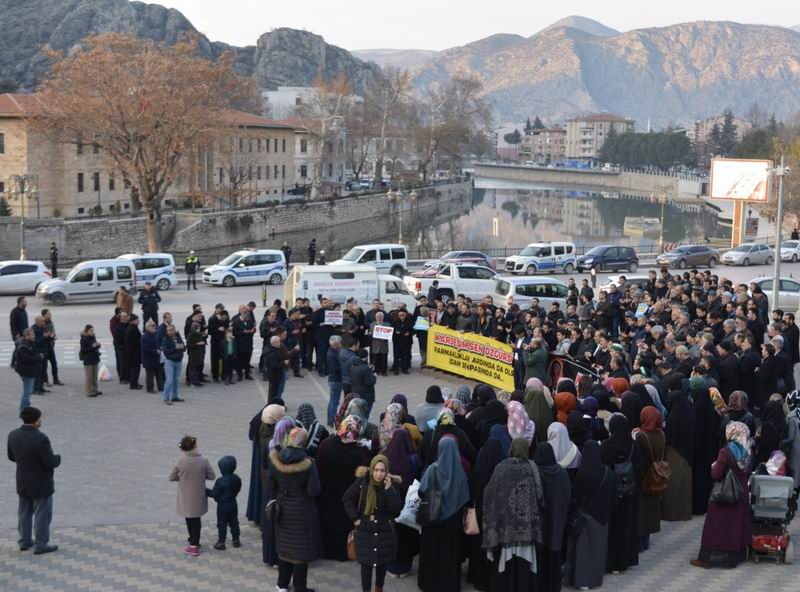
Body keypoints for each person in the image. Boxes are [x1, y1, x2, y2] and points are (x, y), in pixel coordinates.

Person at [481, 437, 544, 592]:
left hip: (505, 528)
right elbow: (540, 495)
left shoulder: (501, 467)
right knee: (523, 566)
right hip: (526, 528)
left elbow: (489, 493)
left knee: (505, 568)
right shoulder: (531, 468)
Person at [691, 421, 753, 569]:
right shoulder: (748, 450)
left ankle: (708, 557)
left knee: (716, 525)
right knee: (735, 525)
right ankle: (735, 556)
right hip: (741, 492)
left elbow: (716, 473)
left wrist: (714, 465)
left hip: (725, 493)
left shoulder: (726, 452)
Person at [267, 427, 322, 592]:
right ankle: (300, 587)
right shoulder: (308, 464)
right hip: (302, 512)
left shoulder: (277, 459)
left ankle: (282, 584)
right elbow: (314, 491)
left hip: (282, 509)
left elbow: (270, 484)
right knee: (300, 550)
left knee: (285, 546)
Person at [342, 455, 403, 592]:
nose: (379, 474)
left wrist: (389, 490)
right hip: (365, 530)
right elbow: (347, 498)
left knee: (382, 564)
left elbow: (396, 510)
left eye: (382, 470)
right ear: (372, 469)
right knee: (366, 567)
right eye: (376, 470)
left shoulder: (392, 485)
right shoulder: (363, 482)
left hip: (384, 531)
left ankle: (379, 588)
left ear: (386, 471)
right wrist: (355, 517)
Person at [417, 436, 470, 592]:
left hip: (433, 518)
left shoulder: (432, 470)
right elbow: (465, 496)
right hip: (452, 522)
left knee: (432, 552)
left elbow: (421, 492)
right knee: (449, 554)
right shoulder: (460, 472)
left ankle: (429, 583)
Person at [316, 415, 371, 561]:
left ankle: (327, 551)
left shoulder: (325, 445)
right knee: (344, 525)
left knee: (328, 522)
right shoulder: (360, 452)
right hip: (348, 498)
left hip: (327, 495)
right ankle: (345, 552)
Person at [7, 406, 61, 555]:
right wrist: (58, 459)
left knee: (24, 512)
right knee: (42, 513)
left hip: (22, 480)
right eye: (40, 418)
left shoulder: (13, 434)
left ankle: (24, 541)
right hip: (40, 482)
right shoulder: (41, 438)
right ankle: (41, 544)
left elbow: (11, 457)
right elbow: (50, 462)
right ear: (36, 421)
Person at [566, 441, 616, 590]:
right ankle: (595, 578)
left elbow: (576, 498)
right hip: (601, 518)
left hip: (584, 517)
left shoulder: (582, 475)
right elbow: (613, 498)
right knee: (598, 549)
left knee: (582, 549)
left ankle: (582, 581)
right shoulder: (607, 473)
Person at [600, 413, 642, 573]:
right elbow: (639, 467)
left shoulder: (605, 446)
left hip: (611, 492)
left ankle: (611, 562)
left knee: (613, 527)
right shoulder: (632, 445)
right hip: (629, 491)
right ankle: (625, 560)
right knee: (626, 525)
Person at [383, 427, 422, 578]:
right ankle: (404, 567)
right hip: (408, 503)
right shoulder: (413, 458)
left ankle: (391, 567)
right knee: (406, 536)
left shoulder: (385, 456)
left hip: (390, 502)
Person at [168, 435, 216, 556]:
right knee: (196, 519)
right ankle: (195, 542)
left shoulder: (180, 461)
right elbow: (212, 476)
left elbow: (172, 477)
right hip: (198, 494)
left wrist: (182, 478)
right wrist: (199, 476)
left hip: (185, 495)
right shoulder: (203, 460)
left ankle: (193, 542)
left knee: (188, 517)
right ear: (195, 446)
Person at [534, 442, 571, 592]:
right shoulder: (562, 473)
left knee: (540, 554)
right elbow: (568, 494)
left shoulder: (535, 473)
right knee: (554, 551)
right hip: (557, 520)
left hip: (540, 523)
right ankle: (554, 585)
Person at [634, 407, 665, 550]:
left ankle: (640, 543)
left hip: (644, 476)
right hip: (657, 476)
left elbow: (638, 456)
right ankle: (646, 541)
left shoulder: (642, 437)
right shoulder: (662, 435)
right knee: (651, 510)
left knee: (641, 511)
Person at [661, 391, 694, 521]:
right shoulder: (689, 414)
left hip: (673, 453)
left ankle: (671, 513)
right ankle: (684, 512)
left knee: (673, 485)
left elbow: (669, 435)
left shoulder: (673, 417)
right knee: (684, 485)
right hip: (686, 454)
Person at [206, 455, 242, 550]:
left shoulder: (220, 481)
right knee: (234, 522)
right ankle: (236, 539)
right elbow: (238, 488)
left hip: (222, 506)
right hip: (233, 503)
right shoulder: (237, 479)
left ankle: (221, 542)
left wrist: (206, 491)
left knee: (222, 524)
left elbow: (215, 493)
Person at [14, 328, 38, 411]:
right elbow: (27, 359)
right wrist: (38, 357)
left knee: (27, 390)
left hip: (25, 370)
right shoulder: (24, 346)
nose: (34, 336)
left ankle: (26, 405)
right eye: (32, 335)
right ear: (27, 336)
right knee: (28, 391)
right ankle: (24, 409)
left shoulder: (28, 343)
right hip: (27, 371)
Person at [161, 324, 185, 405]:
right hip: (170, 362)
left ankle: (175, 396)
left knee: (176, 380)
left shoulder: (178, 337)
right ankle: (166, 398)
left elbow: (184, 347)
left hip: (178, 361)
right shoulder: (165, 339)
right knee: (169, 380)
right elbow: (166, 352)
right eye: (168, 330)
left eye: (171, 330)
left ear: (174, 330)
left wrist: (182, 347)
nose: (169, 332)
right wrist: (175, 348)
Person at [232, 305, 256, 381]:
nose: (247, 319)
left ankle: (247, 374)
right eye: (246, 318)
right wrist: (243, 332)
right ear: (242, 315)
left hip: (248, 344)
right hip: (240, 345)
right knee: (239, 361)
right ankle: (240, 375)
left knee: (247, 360)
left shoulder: (250, 321)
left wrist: (253, 330)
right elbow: (235, 333)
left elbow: (253, 328)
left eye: (248, 318)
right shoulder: (236, 322)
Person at [79, 324, 102, 398]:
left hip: (95, 358)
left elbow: (94, 346)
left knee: (94, 376)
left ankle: (95, 390)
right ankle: (89, 392)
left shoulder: (92, 337)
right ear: (86, 332)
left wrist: (98, 345)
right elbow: (84, 350)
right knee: (89, 377)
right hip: (88, 360)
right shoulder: (83, 339)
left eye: (93, 330)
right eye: (91, 331)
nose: (93, 332)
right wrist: (93, 347)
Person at [141, 320, 164, 393]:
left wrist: (160, 348)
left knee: (159, 374)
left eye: (155, 325)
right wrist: (155, 351)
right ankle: (150, 389)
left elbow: (157, 344)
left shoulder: (154, 334)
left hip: (156, 358)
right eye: (153, 325)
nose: (155, 327)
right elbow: (144, 349)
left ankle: (161, 387)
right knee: (150, 375)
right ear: (147, 327)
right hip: (149, 360)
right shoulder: (145, 337)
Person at [326, 335, 343, 426]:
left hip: (333, 379)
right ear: (335, 344)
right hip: (335, 380)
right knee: (334, 402)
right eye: (339, 343)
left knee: (332, 401)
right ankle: (332, 420)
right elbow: (335, 368)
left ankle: (330, 419)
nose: (340, 345)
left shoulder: (333, 352)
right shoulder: (332, 354)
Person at [125, 314, 143, 390]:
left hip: (134, 352)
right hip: (133, 353)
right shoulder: (132, 329)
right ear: (132, 321)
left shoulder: (133, 327)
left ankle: (135, 382)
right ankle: (133, 384)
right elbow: (134, 341)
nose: (138, 321)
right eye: (137, 320)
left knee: (136, 368)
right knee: (135, 369)